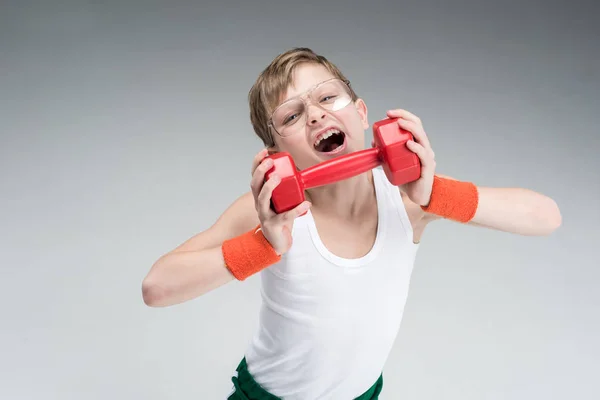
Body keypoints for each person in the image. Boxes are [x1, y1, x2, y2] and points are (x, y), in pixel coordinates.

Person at [141, 47, 562, 399]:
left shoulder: (410, 199)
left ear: (361, 114)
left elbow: (546, 216)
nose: (315, 116)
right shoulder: (270, 215)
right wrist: (265, 244)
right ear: (275, 154)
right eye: (291, 116)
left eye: (328, 98)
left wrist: (437, 195)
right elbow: (157, 287)